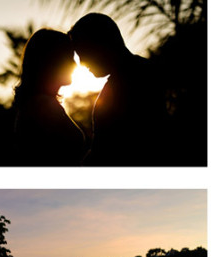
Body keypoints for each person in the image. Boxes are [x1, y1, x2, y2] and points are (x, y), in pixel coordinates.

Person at [68, 13, 168, 166]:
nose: (81, 64)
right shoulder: (143, 71)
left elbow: (107, 152)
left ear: (99, 44)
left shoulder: (134, 80)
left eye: (83, 54)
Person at [12, 29, 88, 166]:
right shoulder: (43, 106)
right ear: (52, 61)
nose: (76, 65)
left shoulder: (38, 104)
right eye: (70, 58)